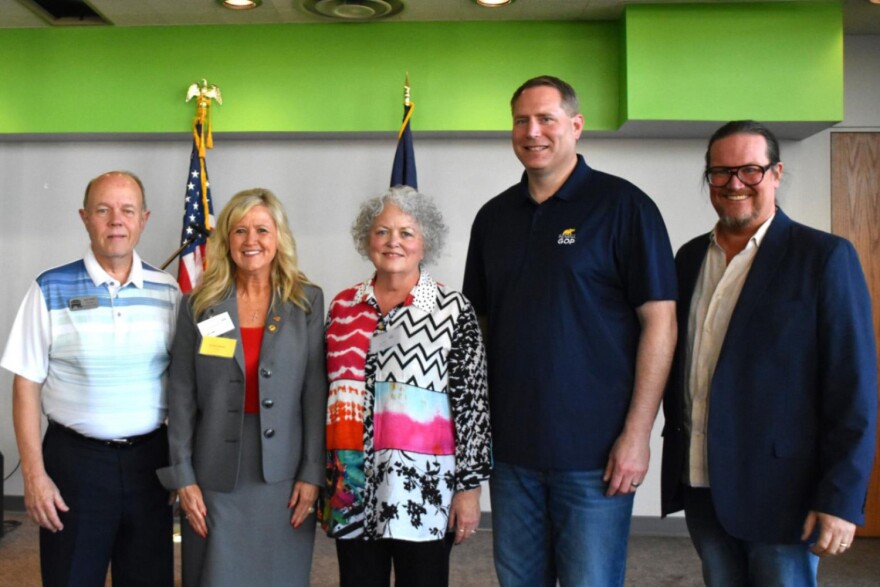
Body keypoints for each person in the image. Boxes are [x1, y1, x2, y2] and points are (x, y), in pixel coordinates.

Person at [462, 75, 678, 586]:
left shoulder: (626, 207)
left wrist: (637, 435)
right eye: (521, 120)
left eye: (546, 119)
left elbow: (661, 324)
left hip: (595, 455)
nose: (532, 131)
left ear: (576, 126)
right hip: (511, 452)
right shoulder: (492, 219)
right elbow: (480, 329)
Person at [660, 120, 878, 585]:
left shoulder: (824, 257)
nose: (734, 184)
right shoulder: (689, 258)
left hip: (784, 492)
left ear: (776, 174)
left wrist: (841, 497)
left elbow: (853, 388)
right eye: (720, 172)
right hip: (701, 483)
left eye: (750, 171)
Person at [1, 171, 179, 586]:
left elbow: (184, 383)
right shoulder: (49, 288)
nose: (116, 220)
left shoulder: (167, 291)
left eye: (127, 210)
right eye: (103, 210)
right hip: (74, 466)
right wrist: (34, 474)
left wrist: (180, 465)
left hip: (150, 464)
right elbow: (25, 384)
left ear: (144, 219)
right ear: (85, 218)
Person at [322, 185, 491, 587]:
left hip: (423, 488)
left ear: (425, 241)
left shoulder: (452, 308)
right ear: (367, 239)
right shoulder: (342, 307)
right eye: (382, 231)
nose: (392, 242)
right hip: (352, 483)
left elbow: (473, 406)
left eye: (406, 233)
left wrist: (469, 489)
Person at [156, 188, 326, 586]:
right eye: (240, 231)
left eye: (262, 230)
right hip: (213, 472)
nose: (252, 241)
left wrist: (311, 473)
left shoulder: (306, 302)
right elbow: (181, 395)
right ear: (226, 240)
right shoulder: (198, 305)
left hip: (283, 475)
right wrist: (183, 476)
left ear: (279, 237)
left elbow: (315, 392)